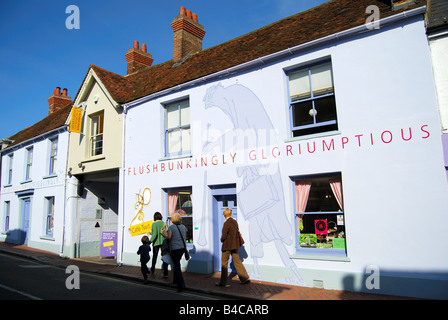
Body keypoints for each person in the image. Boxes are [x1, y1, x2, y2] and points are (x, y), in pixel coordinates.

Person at [216, 208, 250, 287]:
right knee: (237, 261)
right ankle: (244, 278)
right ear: (230, 214)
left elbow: (224, 236)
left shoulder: (226, 223)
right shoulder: (235, 222)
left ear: (224, 214)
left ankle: (223, 282)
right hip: (235, 246)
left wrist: (221, 239)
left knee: (224, 264)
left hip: (227, 246)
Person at [166, 213, 188, 292]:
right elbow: (185, 238)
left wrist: (165, 236)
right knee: (176, 264)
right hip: (182, 248)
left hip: (174, 248)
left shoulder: (171, 227)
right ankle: (175, 281)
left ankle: (181, 284)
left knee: (177, 266)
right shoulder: (184, 227)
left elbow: (169, 238)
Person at [149, 212, 169, 278]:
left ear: (154, 217)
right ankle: (165, 272)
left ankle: (152, 270)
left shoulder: (154, 224)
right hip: (164, 242)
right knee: (164, 257)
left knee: (154, 257)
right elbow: (167, 232)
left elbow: (154, 235)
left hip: (156, 243)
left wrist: (149, 242)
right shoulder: (164, 223)